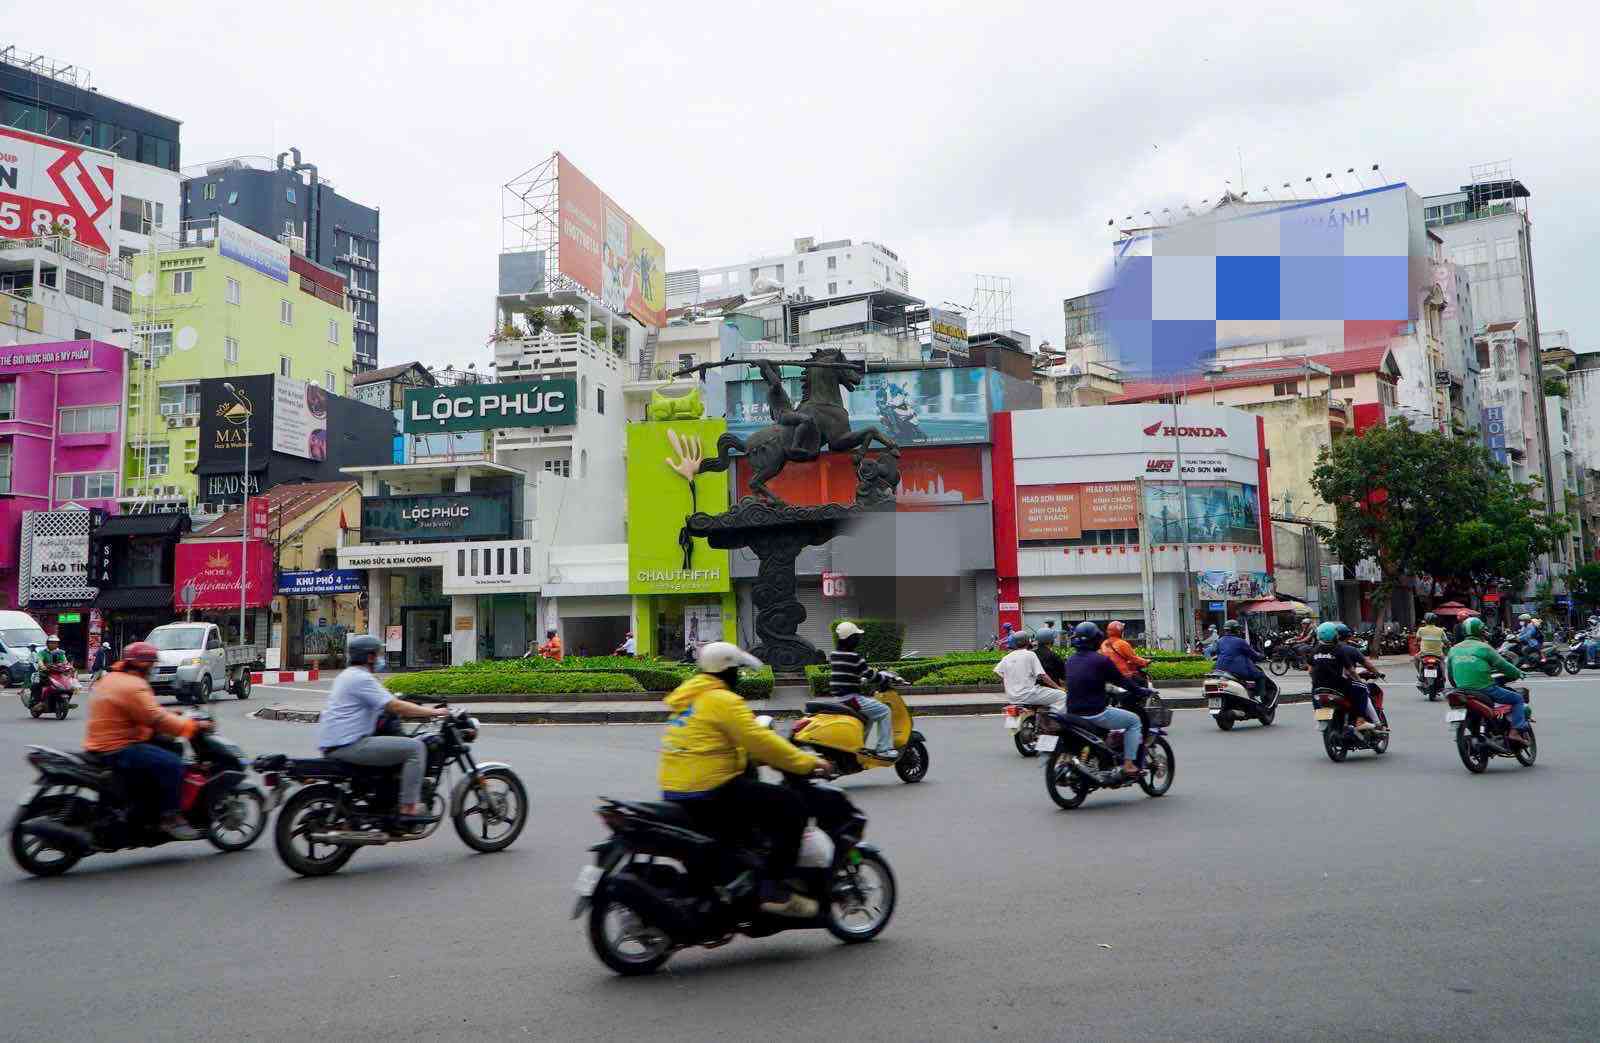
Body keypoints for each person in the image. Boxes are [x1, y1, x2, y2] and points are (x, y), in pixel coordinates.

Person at [660, 641, 829, 918]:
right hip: (710, 790)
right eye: (737, 670)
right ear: (728, 671)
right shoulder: (722, 700)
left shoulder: (688, 699)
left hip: (677, 790)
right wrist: (808, 762)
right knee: (790, 805)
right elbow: (760, 740)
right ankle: (775, 890)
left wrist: (755, 757)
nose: (738, 676)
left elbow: (721, 743)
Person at [82, 641, 214, 839]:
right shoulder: (133, 686)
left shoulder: (112, 679)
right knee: (173, 765)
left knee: (166, 746)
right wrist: (191, 726)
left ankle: (147, 805)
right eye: (152, 664)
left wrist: (171, 713)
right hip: (119, 747)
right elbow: (155, 719)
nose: (153, 669)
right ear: (143, 665)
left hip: (102, 741)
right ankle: (170, 818)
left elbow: (142, 711)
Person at [317, 635, 448, 828]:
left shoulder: (348, 675)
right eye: (378, 654)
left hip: (336, 742)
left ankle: (388, 800)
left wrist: (407, 707)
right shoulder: (361, 678)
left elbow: (384, 705)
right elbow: (394, 706)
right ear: (370, 657)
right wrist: (433, 712)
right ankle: (408, 808)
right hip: (350, 745)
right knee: (416, 748)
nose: (380, 658)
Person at [1061, 622, 1144, 779]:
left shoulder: (1070, 660)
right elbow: (1122, 680)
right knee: (1134, 721)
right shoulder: (1102, 658)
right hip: (1096, 712)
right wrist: (1140, 690)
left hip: (1073, 712)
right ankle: (1128, 764)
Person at [1446, 616, 1529, 746]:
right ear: (1480, 632)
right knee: (1517, 699)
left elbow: (1450, 674)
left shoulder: (1453, 649)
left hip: (1461, 690)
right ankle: (1514, 732)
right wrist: (1518, 673)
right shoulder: (1484, 648)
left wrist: (1459, 686)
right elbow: (1503, 665)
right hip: (1484, 688)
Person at [828, 621, 898, 760]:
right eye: (856, 637)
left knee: (869, 716)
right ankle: (883, 750)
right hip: (851, 698)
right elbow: (869, 674)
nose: (858, 640)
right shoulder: (854, 657)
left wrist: (859, 680)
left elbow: (846, 673)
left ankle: (859, 747)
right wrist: (883, 680)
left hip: (839, 698)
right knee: (885, 711)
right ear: (851, 639)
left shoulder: (834, 654)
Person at [1307, 622, 1383, 732]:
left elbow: (1310, 671)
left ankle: (1321, 719)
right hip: (1338, 687)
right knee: (1362, 689)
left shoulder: (1314, 650)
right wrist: (1358, 680)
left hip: (1319, 687)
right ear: (1335, 635)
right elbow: (1351, 670)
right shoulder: (1339, 650)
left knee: (1314, 692)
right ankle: (1360, 720)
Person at [993, 632, 1063, 711]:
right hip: (1028, 694)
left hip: (1011, 697)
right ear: (1028, 641)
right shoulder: (1030, 654)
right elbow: (1043, 676)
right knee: (1062, 696)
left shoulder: (1007, 657)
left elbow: (996, 672)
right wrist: (1058, 687)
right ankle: (1055, 720)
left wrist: (1008, 681)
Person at [1213, 620, 1269, 699]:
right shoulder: (1240, 641)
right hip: (1236, 670)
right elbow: (1253, 654)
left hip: (1220, 669)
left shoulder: (1220, 641)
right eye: (1238, 629)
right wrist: (1262, 656)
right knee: (1261, 676)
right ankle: (1260, 698)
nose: (1239, 631)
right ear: (1235, 630)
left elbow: (1217, 653)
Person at [1415, 613, 1449, 679]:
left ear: (1426, 621)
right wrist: (1448, 644)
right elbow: (1446, 641)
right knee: (1442, 661)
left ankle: (1420, 674)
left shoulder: (1421, 630)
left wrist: (1417, 642)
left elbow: (1417, 639)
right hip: (1437, 653)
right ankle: (1443, 676)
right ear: (1435, 621)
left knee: (1416, 658)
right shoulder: (1440, 630)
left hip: (1424, 653)